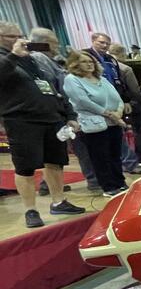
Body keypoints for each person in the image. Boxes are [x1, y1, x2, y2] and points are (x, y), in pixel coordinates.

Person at [0, 22, 85, 226]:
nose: (20, 39)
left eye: (20, 35)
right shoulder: (8, 59)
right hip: (22, 121)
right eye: (13, 36)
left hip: (51, 117)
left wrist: (69, 114)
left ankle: (59, 201)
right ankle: (31, 210)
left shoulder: (31, 59)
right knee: (25, 167)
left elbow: (51, 87)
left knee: (55, 162)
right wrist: (14, 55)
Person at [29, 26, 98, 193]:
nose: (58, 46)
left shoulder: (49, 59)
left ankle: (47, 184)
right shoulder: (39, 58)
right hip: (58, 111)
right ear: (44, 43)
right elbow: (51, 85)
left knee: (57, 152)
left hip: (59, 110)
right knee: (78, 147)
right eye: (54, 42)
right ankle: (93, 180)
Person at [62, 50, 129, 199]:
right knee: (100, 157)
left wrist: (118, 113)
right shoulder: (72, 79)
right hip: (94, 124)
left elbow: (117, 98)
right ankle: (109, 186)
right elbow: (83, 101)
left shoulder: (101, 79)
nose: (89, 64)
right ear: (75, 64)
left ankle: (120, 182)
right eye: (84, 62)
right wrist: (109, 114)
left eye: (91, 61)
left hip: (113, 122)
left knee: (115, 155)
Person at [85, 32, 141, 174]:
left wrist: (125, 100)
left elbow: (119, 81)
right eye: (101, 42)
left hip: (114, 102)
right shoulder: (86, 56)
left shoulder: (111, 60)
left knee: (117, 135)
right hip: (95, 104)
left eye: (107, 43)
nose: (105, 46)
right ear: (93, 41)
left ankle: (128, 165)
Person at [109, 43, 141, 166]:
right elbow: (134, 89)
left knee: (120, 133)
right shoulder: (126, 69)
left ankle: (123, 159)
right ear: (122, 53)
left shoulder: (105, 67)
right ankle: (139, 158)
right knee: (138, 131)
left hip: (113, 105)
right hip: (131, 104)